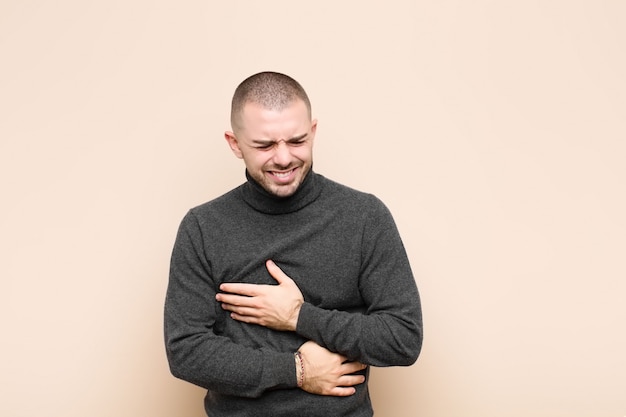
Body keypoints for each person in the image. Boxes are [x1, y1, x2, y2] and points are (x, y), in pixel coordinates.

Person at [164, 71, 423, 417]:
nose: (284, 158)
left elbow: (402, 338)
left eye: (297, 141)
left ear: (313, 132)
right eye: (265, 145)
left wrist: (298, 316)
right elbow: (186, 351)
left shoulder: (364, 217)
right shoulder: (203, 227)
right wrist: (295, 370)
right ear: (234, 143)